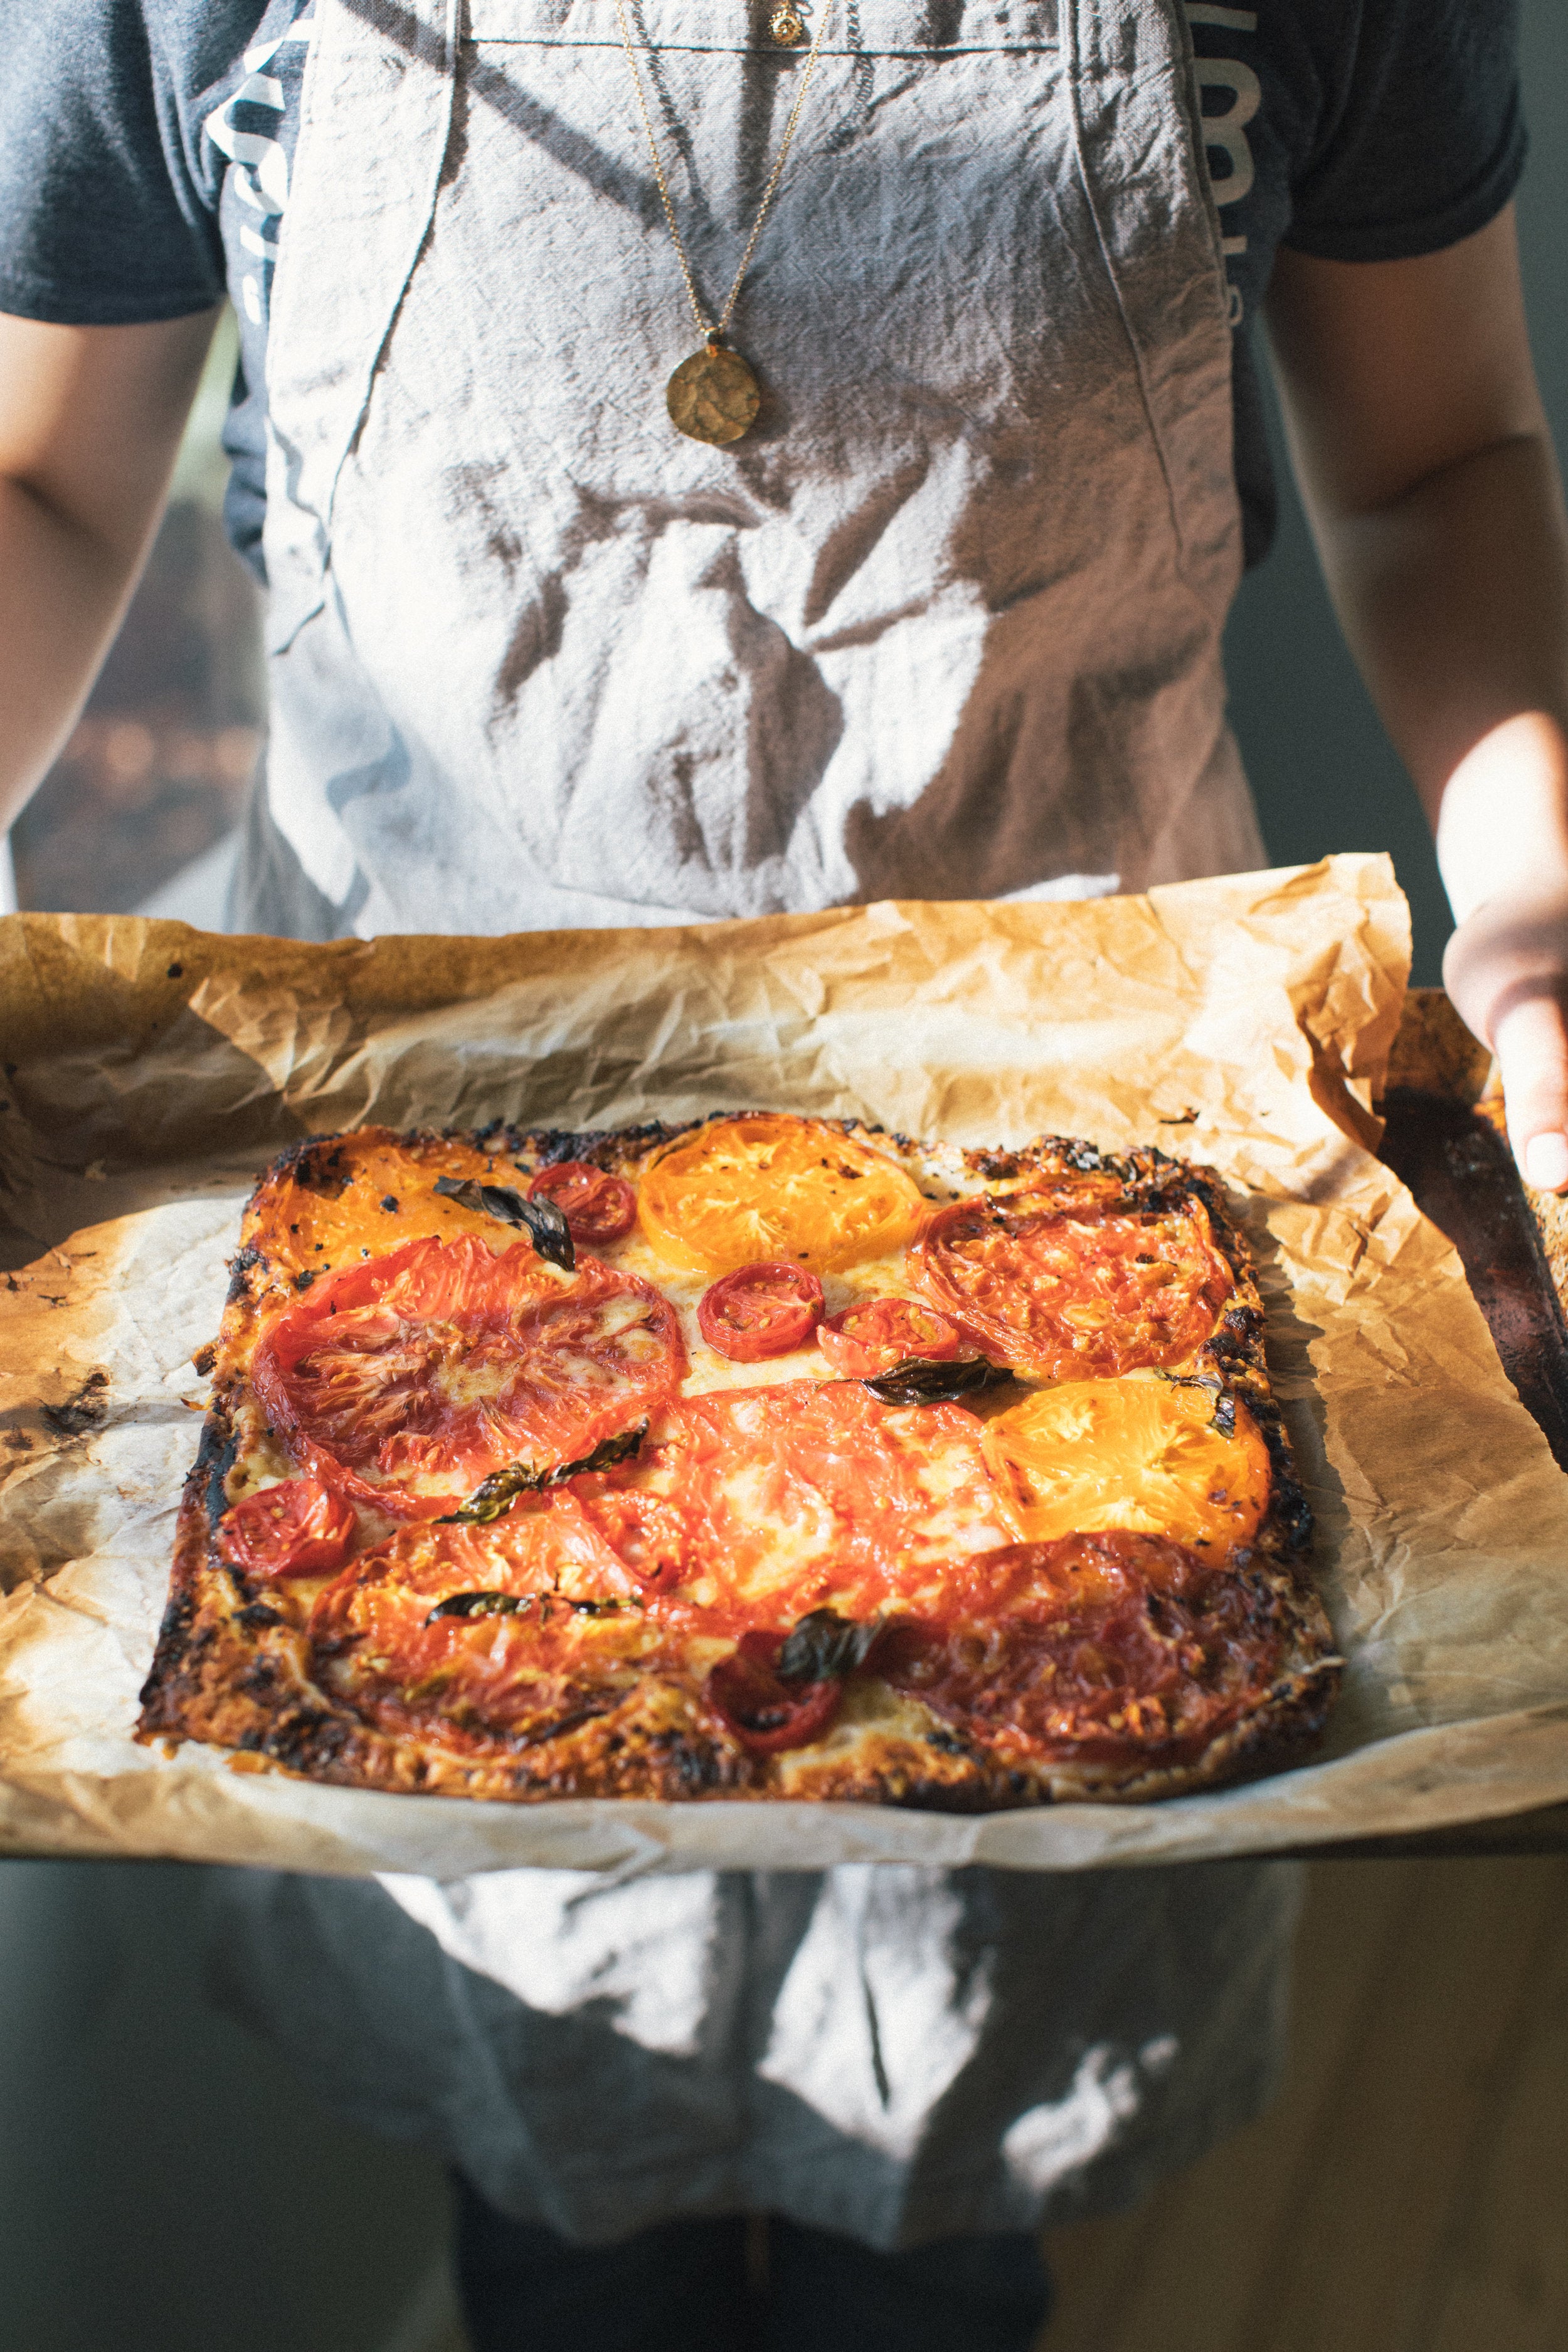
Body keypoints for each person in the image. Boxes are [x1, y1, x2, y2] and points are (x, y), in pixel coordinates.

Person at [3, 3, 1564, 2346]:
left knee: (941, 2237)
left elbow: (1442, 458)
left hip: (1084, 1239)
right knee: (551, 2208)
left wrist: (1540, 916)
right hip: (412, 1309)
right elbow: (39, 484)